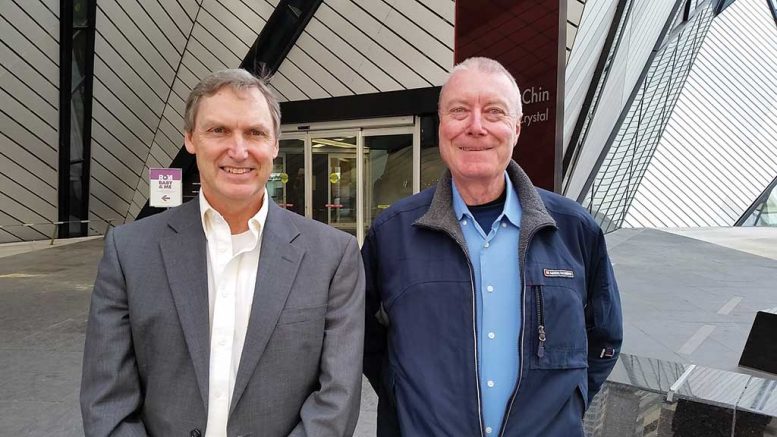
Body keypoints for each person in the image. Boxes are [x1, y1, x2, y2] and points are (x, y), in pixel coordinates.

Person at [81, 69, 365, 437]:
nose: (239, 150)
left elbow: (336, 401)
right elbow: (107, 401)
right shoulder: (129, 251)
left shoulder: (334, 256)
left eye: (255, 132)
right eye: (218, 131)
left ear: (275, 144)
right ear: (190, 139)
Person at [362, 57, 623, 436]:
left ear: (516, 129)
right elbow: (362, 337)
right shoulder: (392, 233)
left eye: (494, 112)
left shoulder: (574, 229)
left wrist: (573, 400)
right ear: (441, 128)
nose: (476, 126)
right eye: (459, 111)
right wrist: (402, 395)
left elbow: (604, 335)